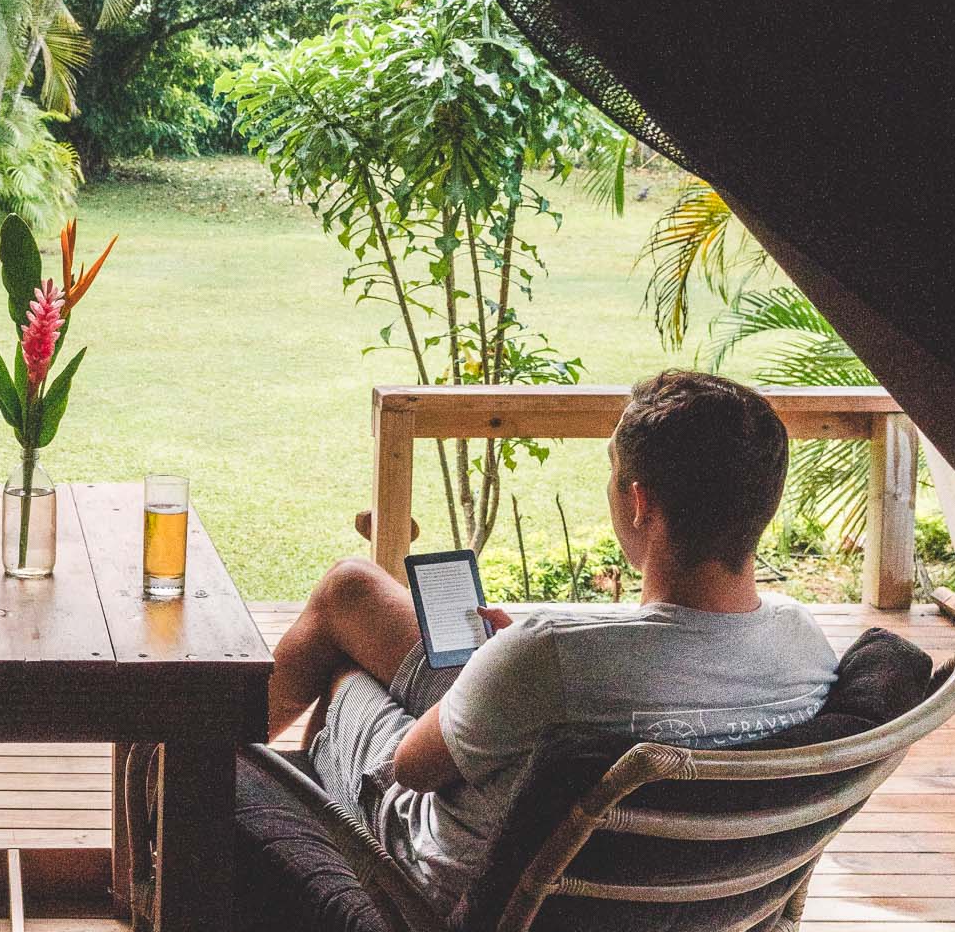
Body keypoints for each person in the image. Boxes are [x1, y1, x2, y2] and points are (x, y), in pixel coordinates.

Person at [268, 370, 837, 902]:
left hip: (464, 900)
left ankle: (228, 782)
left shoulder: (549, 655)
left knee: (349, 669)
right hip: (669, 916)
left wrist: (502, 671)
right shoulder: (807, 645)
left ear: (639, 503)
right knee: (354, 590)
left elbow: (410, 769)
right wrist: (498, 677)